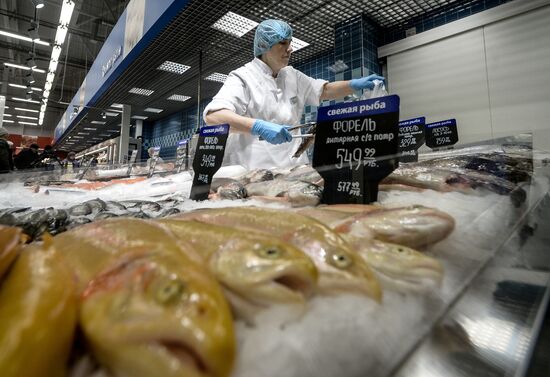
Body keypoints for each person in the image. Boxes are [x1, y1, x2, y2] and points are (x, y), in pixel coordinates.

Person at [203, 19, 385, 169]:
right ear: (264, 46)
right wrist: (257, 126)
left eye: (290, 43)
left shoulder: (292, 75)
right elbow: (214, 116)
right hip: (255, 172)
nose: (290, 49)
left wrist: (355, 84)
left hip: (295, 168)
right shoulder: (242, 77)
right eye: (283, 43)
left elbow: (324, 90)